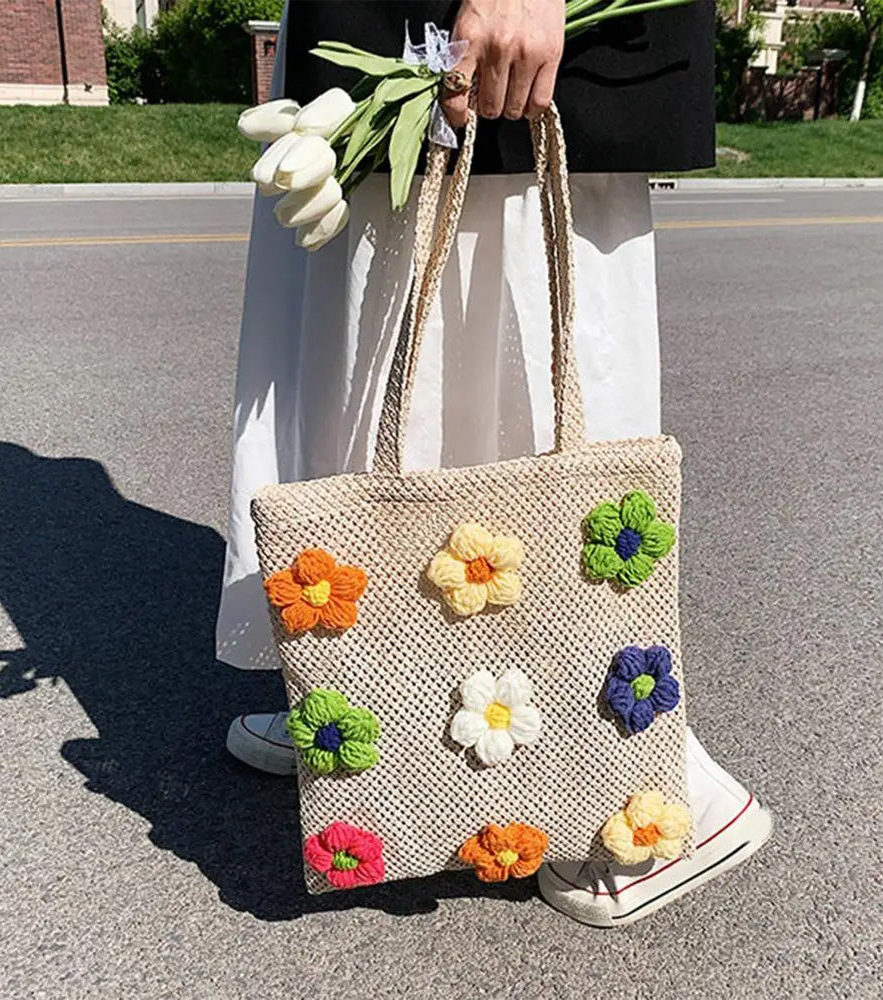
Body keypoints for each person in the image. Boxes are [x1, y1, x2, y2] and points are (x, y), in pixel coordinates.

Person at [218, 0, 772, 927]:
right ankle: (374, 713)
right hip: (386, 30)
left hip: (508, 32)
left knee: (495, 303)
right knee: (358, 338)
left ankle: (667, 789)